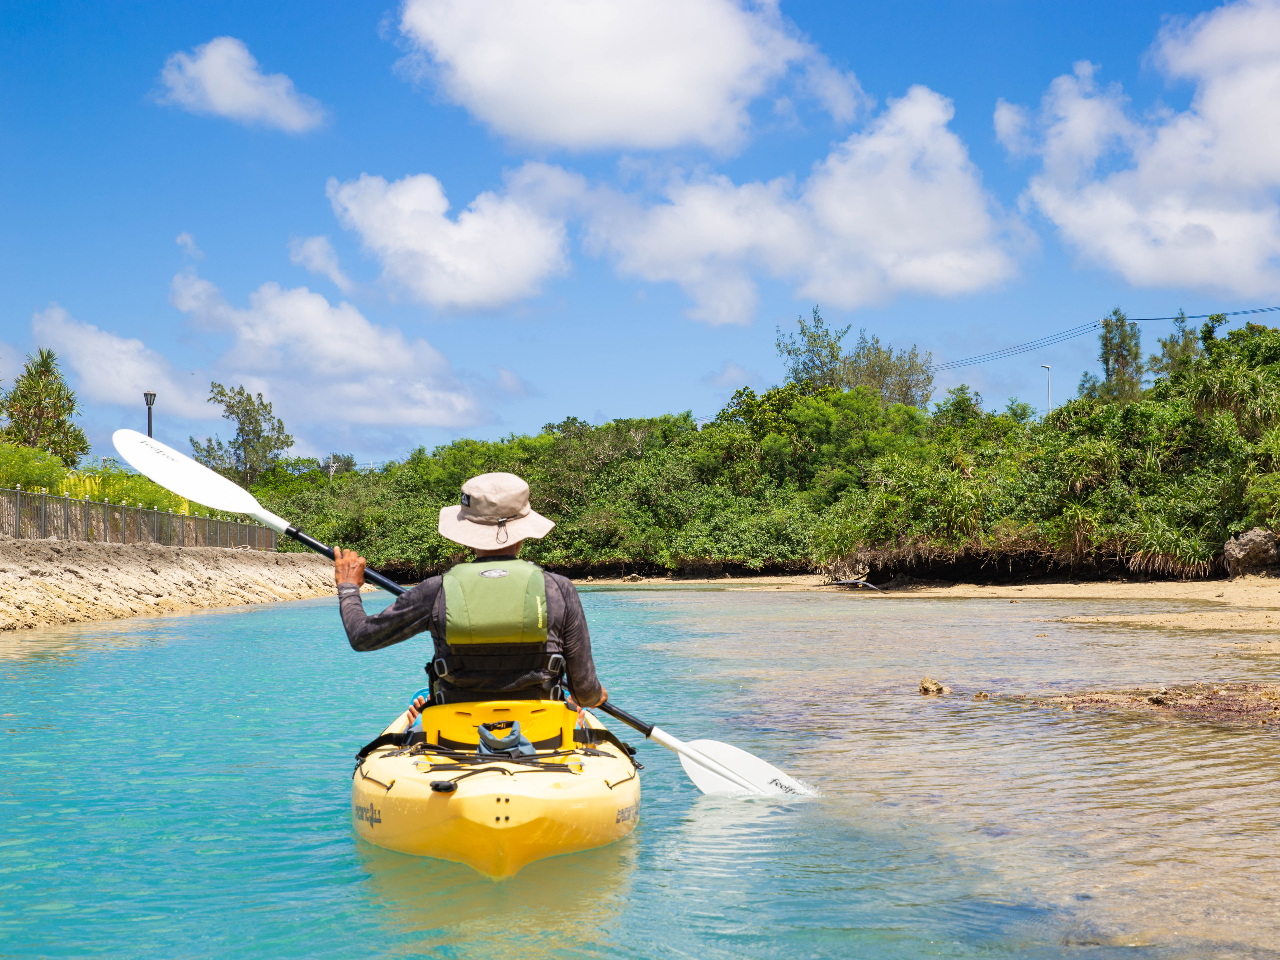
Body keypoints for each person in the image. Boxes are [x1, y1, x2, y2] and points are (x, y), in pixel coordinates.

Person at [334, 472, 607, 726]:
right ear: (523, 530)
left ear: (467, 533)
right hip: (543, 731)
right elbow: (584, 692)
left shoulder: (435, 590)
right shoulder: (559, 589)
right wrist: (594, 696)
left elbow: (362, 636)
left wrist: (348, 587)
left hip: (456, 735)